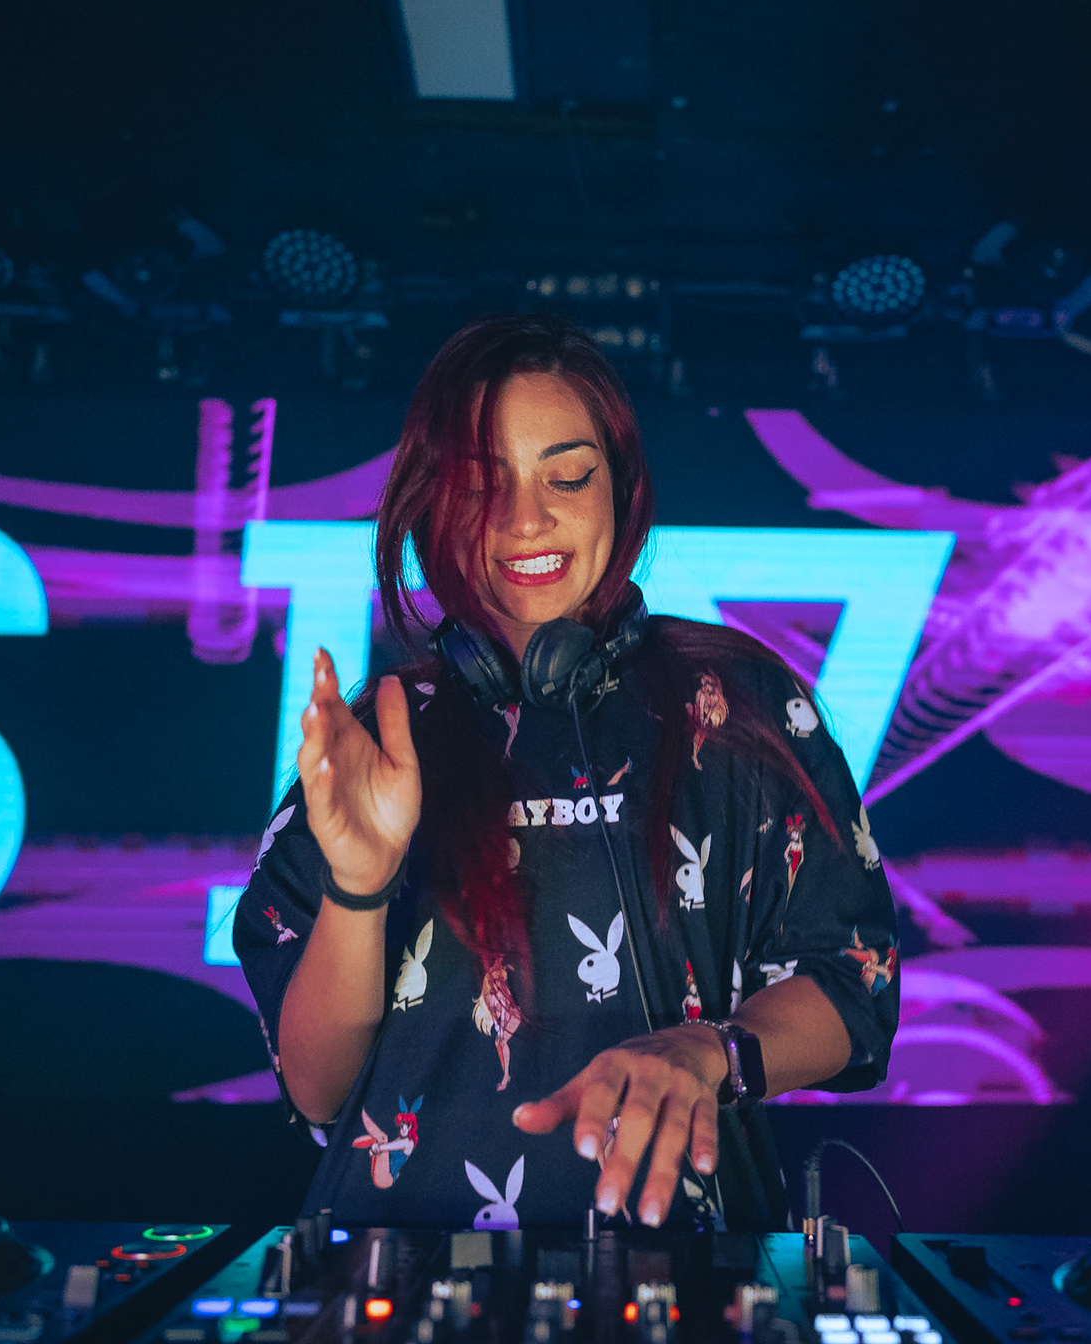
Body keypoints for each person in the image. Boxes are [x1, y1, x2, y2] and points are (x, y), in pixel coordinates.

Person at [234, 315, 898, 1231]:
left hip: (688, 1265)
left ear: (621, 488)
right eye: (481, 485)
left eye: (568, 476)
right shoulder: (377, 740)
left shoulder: (739, 706)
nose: (525, 519)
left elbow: (853, 982)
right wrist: (359, 886)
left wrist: (708, 1051)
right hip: (403, 1265)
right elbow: (316, 1091)